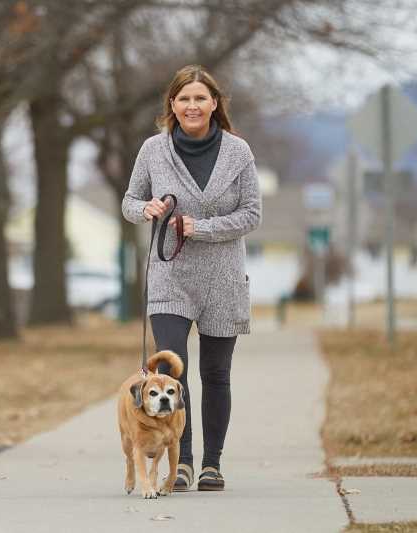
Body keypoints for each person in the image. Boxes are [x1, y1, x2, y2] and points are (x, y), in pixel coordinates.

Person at [121, 64, 261, 492]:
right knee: (172, 372)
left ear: (215, 104)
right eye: (184, 98)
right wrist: (143, 209)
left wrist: (200, 227)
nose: (192, 105)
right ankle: (181, 463)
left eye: (201, 98)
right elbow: (129, 200)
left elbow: (252, 215)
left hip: (223, 279)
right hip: (169, 277)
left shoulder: (239, 152)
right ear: (172, 105)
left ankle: (211, 465)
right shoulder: (153, 150)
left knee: (216, 374)